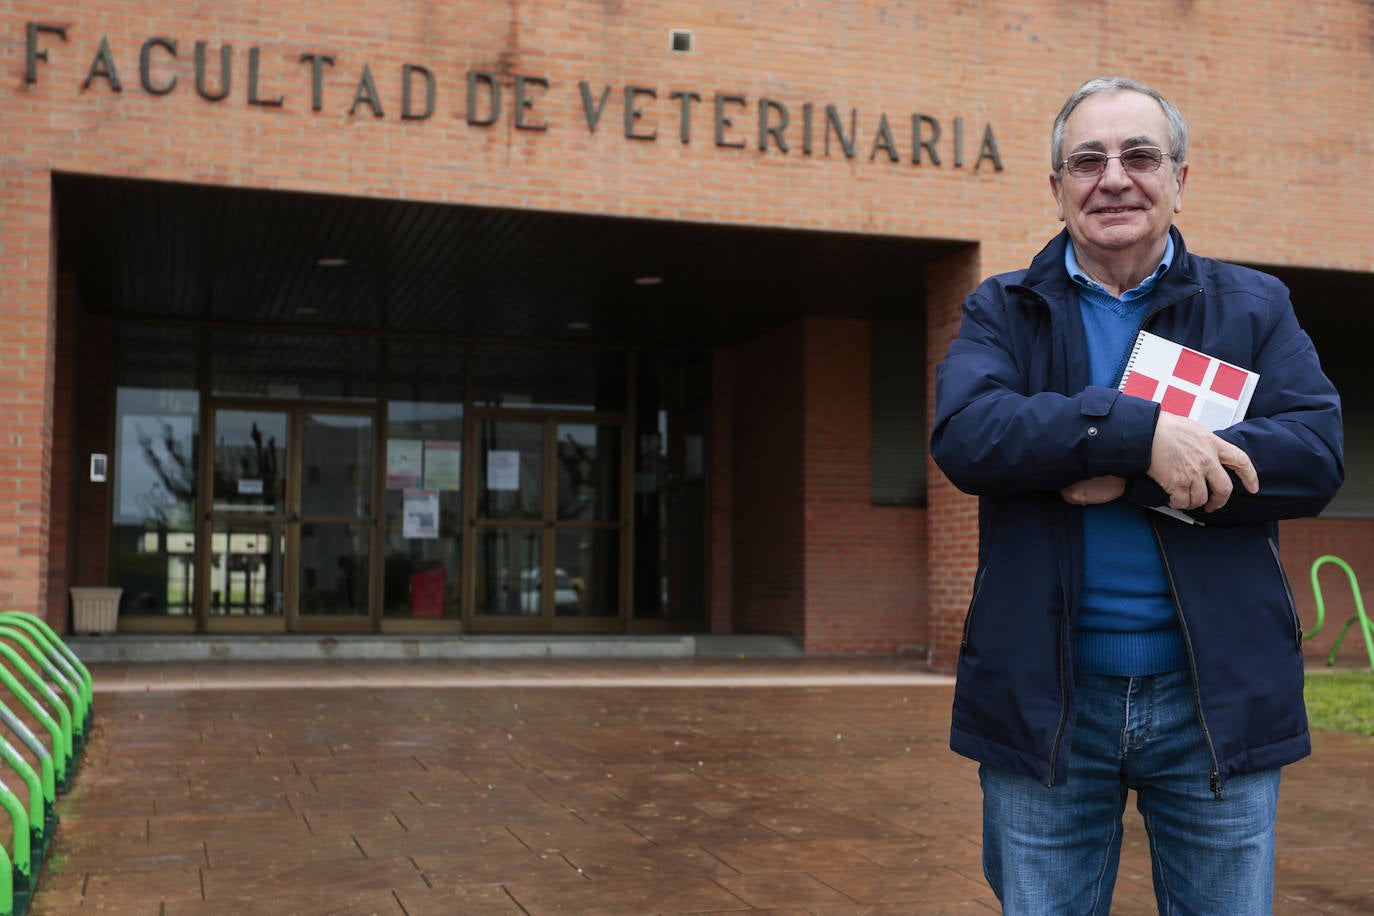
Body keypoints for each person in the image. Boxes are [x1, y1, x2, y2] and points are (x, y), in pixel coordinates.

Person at [930, 76, 1343, 914]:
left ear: (1179, 179)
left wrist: (1136, 469)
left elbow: (1313, 453)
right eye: (1087, 160)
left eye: (1140, 155)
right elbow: (969, 435)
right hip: (1046, 698)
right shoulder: (1001, 310)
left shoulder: (1255, 307)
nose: (1113, 178)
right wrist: (1140, 433)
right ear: (1056, 190)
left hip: (1214, 701)